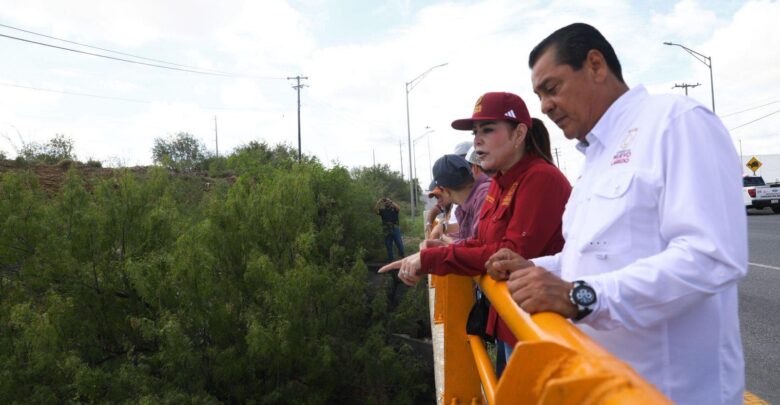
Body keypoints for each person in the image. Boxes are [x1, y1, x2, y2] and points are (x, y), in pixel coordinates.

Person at [486, 23, 747, 405]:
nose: (544, 106)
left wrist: (581, 296)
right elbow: (597, 254)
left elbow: (711, 257)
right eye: (538, 95)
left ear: (595, 65)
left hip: (670, 392)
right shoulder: (594, 158)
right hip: (602, 385)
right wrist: (534, 267)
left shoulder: (675, 122)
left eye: (551, 88)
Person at [379, 91, 572, 360]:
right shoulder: (501, 183)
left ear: (518, 134)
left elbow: (508, 255)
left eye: (488, 129)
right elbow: (481, 241)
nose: (477, 140)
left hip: (541, 328)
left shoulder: (540, 179)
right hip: (512, 320)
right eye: (475, 132)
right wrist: (432, 253)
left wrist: (432, 258)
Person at [425, 154, 491, 244]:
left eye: (439, 195)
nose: (438, 200)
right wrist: (444, 229)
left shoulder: (483, 196)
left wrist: (445, 241)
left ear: (446, 190)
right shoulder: (468, 199)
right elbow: (467, 235)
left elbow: (480, 245)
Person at [374, 197, 405, 261]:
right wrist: (379, 202)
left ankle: (401, 257)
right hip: (386, 230)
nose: (386, 202)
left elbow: (399, 208)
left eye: (387, 202)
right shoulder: (382, 211)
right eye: (385, 202)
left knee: (399, 244)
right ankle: (391, 260)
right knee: (388, 246)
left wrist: (391, 201)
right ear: (384, 204)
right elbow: (375, 210)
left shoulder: (394, 209)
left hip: (395, 228)